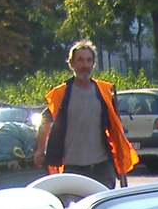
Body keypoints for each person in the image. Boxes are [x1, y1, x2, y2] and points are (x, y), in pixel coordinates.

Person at [33, 40, 138, 188]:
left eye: (89, 60)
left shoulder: (103, 92)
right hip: (73, 168)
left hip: (102, 167)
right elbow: (46, 119)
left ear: (94, 63)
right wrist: (40, 149)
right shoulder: (62, 94)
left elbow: (115, 128)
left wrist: (120, 159)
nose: (85, 65)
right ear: (72, 64)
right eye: (80, 60)